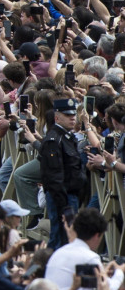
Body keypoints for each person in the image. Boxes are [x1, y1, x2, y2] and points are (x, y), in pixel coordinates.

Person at [39, 98, 84, 249]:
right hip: (62, 196)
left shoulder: (67, 137)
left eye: (73, 115)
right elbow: (54, 176)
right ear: (57, 117)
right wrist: (63, 205)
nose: (72, 118)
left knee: (67, 238)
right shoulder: (54, 140)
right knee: (60, 238)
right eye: (67, 115)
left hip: (71, 195)